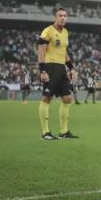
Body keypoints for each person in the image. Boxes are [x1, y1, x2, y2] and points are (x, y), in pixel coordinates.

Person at [37, 7, 79, 140]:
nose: (62, 18)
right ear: (55, 17)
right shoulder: (47, 31)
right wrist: (42, 70)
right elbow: (41, 51)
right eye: (60, 15)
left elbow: (64, 52)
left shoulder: (65, 32)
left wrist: (71, 67)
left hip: (61, 68)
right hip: (50, 67)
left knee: (67, 99)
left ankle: (64, 131)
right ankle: (45, 132)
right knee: (47, 98)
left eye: (65, 16)